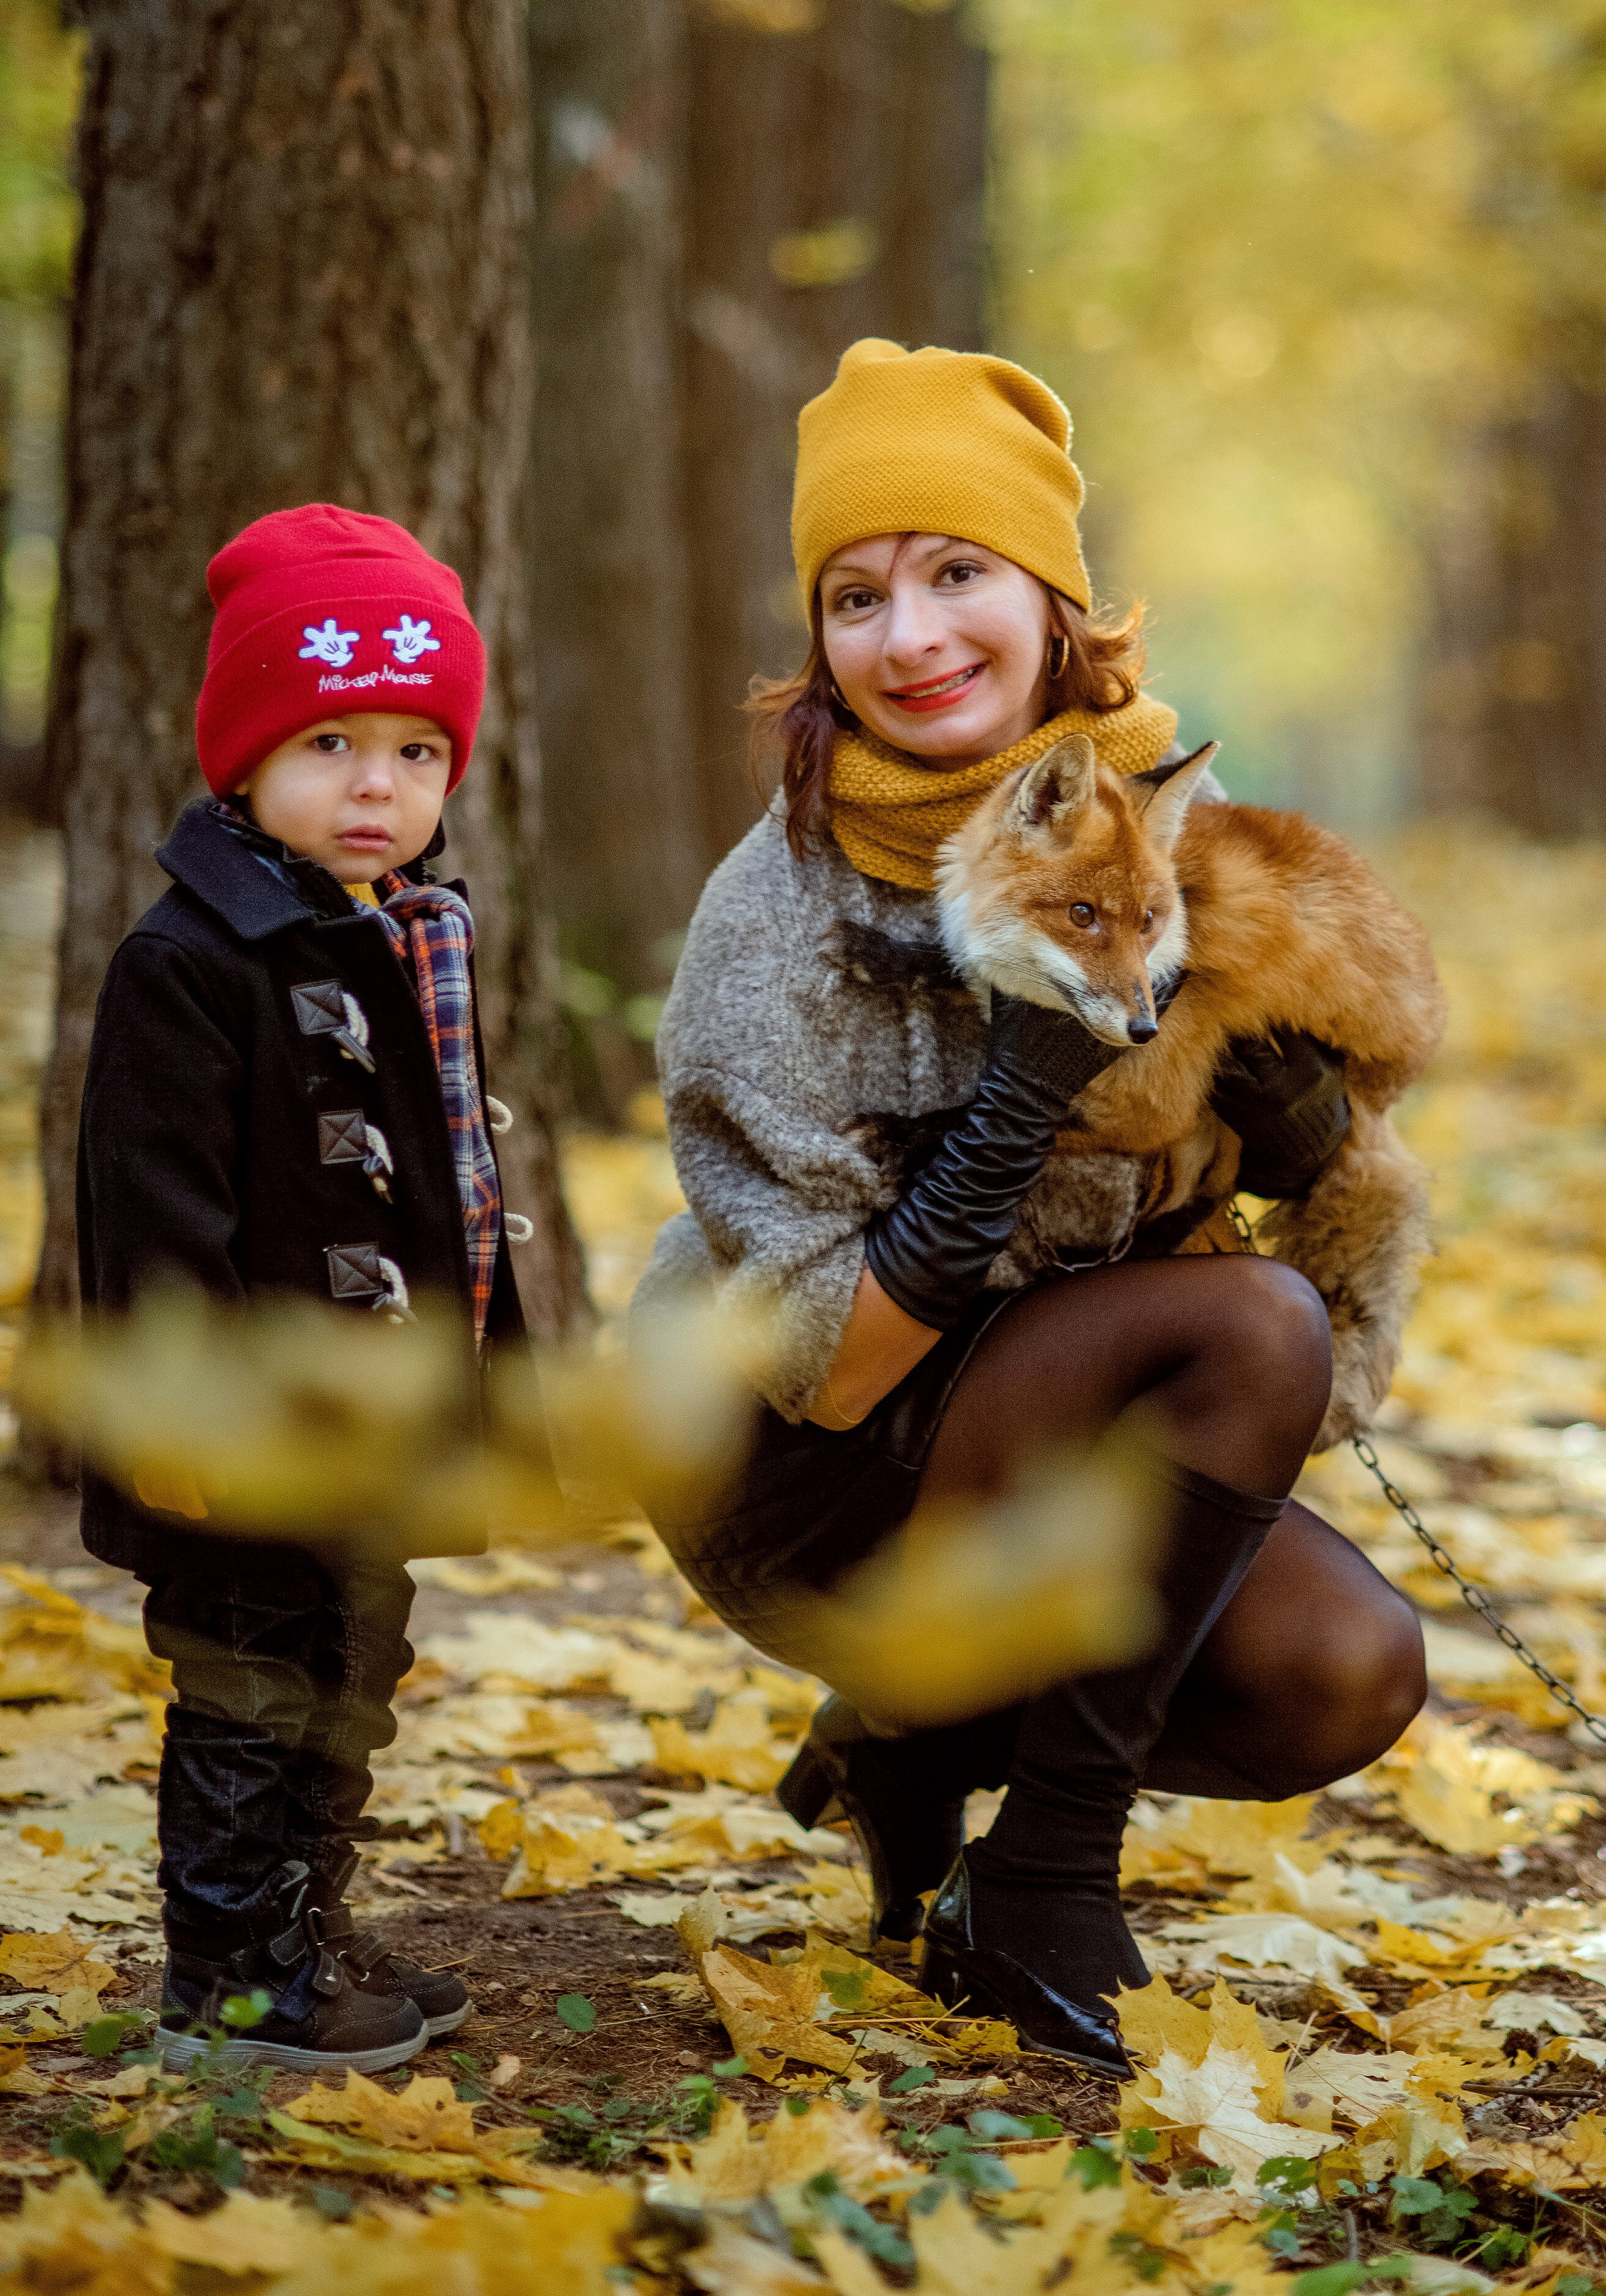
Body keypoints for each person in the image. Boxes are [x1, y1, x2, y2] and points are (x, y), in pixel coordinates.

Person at [632, 341, 1427, 2076]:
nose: (909, 636)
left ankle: (914, 1759)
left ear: (1053, 600)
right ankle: (1041, 1869)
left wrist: (1293, 1109)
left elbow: (1317, 1048)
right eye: (857, 595)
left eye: (957, 573)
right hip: (803, 1462)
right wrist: (1019, 1097)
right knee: (1246, 1318)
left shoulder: (1155, 825)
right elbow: (828, 1365)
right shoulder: (774, 918)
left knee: (1347, 1666)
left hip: (1069, 1435)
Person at [77, 504, 526, 2073]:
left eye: (414, 748)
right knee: (249, 1674)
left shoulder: (410, 934)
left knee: (353, 1660)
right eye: (330, 738)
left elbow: (451, 1188)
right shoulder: (193, 960)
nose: (376, 784)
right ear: (244, 761)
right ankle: (225, 1971)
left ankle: (299, 1916)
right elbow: (149, 1211)